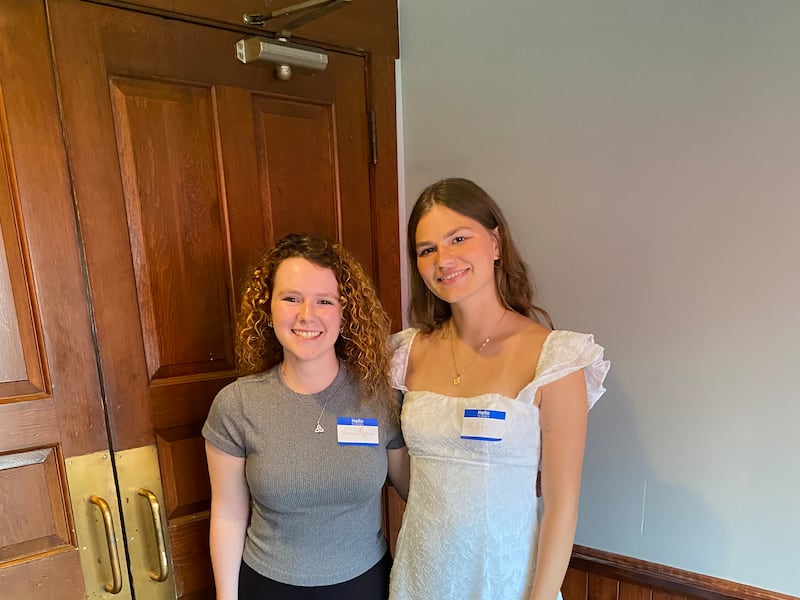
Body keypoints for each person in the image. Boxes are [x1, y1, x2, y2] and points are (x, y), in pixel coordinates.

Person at [388, 178, 609, 600]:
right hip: (420, 575)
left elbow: (562, 503)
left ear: (495, 242)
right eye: (427, 249)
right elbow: (408, 472)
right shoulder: (405, 352)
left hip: (503, 581)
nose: (443, 259)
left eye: (458, 238)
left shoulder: (555, 357)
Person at [203, 233, 409, 600]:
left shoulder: (379, 398)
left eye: (324, 301)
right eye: (291, 298)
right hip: (268, 587)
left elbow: (415, 489)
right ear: (268, 309)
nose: (306, 315)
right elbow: (228, 513)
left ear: (346, 314)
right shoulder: (237, 405)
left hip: (366, 586)